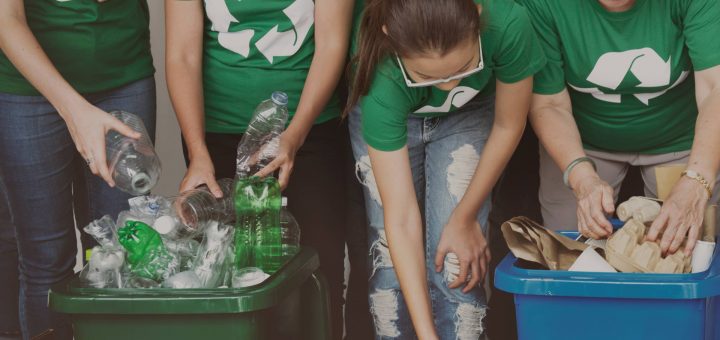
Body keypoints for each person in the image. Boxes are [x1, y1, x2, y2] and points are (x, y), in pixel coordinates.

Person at [347, 0, 545, 338]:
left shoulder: (507, 21)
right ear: (390, 36)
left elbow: (508, 125)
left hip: (469, 112)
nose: (448, 87)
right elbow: (401, 217)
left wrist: (464, 216)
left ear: (478, 16)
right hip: (395, 114)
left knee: (457, 260)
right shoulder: (381, 75)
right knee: (390, 265)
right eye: (427, 76)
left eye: (463, 67)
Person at [165, 1, 356, 338]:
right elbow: (182, 54)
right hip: (215, 135)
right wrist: (197, 151)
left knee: (318, 269)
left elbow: (332, 44)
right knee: (226, 273)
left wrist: (294, 135)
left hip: (311, 131)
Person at [0, 1, 156, 339]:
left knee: (120, 249)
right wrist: (75, 111)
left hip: (123, 75)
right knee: (46, 257)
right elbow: (5, 19)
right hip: (27, 88)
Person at [518, 0, 720, 255]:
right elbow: (549, 104)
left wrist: (697, 180)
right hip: (581, 142)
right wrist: (581, 178)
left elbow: (716, 88)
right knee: (570, 251)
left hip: (680, 140)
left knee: (684, 249)